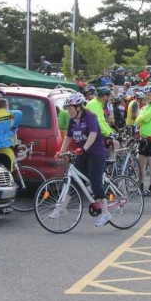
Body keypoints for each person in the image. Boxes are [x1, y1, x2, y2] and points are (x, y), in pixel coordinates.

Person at [55, 94, 110, 226]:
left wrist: (84, 148)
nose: (69, 111)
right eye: (67, 109)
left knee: (95, 181)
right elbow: (68, 136)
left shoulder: (89, 117)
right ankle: (61, 209)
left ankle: (106, 213)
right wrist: (61, 151)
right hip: (83, 153)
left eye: (71, 108)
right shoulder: (72, 120)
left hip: (96, 153)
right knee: (73, 180)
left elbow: (93, 134)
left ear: (79, 107)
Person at [0, 98, 22, 171]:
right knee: (7, 176)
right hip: (6, 150)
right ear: (6, 106)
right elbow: (19, 113)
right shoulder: (10, 114)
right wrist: (13, 128)